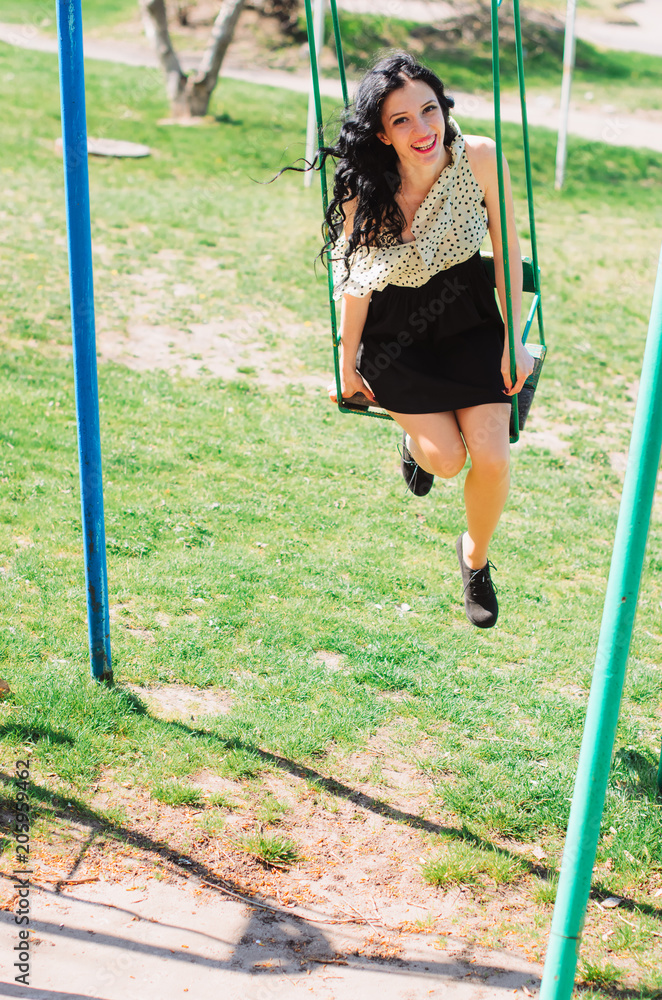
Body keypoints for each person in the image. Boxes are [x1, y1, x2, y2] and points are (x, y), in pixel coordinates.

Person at [325, 51, 534, 628]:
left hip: (469, 317)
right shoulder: (365, 194)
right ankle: (418, 442)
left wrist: (513, 338)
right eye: (402, 121)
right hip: (397, 334)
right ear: (380, 133)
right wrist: (347, 366)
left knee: (490, 457)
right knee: (445, 460)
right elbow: (357, 286)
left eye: (430, 110)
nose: (424, 130)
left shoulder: (482, 158)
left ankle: (475, 555)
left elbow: (508, 248)